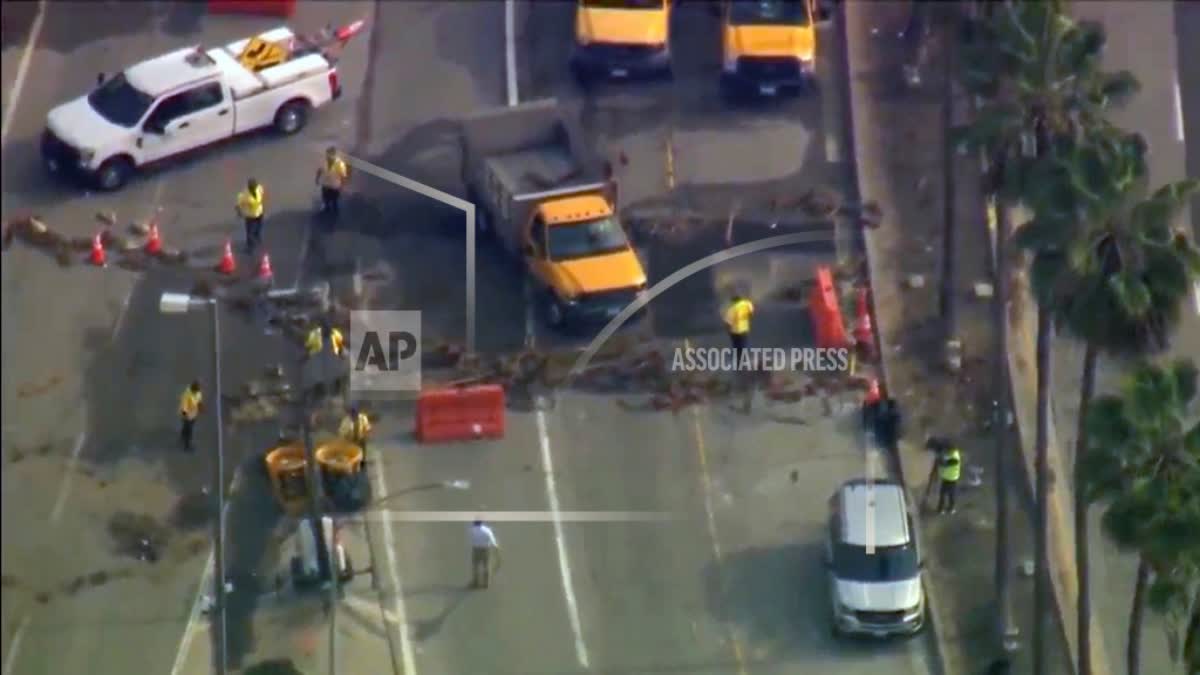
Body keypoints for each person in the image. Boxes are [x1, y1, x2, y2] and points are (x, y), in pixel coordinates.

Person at [315, 146, 350, 220]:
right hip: (325, 185)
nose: (328, 156)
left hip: (335, 186)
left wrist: (342, 186)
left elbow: (343, 176)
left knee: (334, 200)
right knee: (325, 198)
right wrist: (317, 179)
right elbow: (319, 171)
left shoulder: (340, 164)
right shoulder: (323, 161)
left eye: (330, 154)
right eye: (327, 154)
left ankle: (335, 212)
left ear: (334, 155)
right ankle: (326, 208)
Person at [468, 519, 501, 589]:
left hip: (476, 549)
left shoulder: (472, 530)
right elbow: (493, 540)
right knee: (486, 566)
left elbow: (471, 539)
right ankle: (486, 583)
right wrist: (497, 549)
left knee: (475, 566)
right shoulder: (487, 530)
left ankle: (476, 582)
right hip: (486, 549)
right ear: (482, 523)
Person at [236, 178, 265, 254]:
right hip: (250, 215)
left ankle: (257, 236)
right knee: (249, 232)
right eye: (252, 187)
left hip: (259, 212)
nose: (254, 188)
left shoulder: (259, 188)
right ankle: (250, 247)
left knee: (259, 226)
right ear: (249, 187)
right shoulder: (245, 195)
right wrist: (239, 212)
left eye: (255, 186)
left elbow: (262, 193)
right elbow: (239, 204)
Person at [723, 292, 754, 359]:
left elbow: (728, 322)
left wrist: (728, 330)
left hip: (735, 331)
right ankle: (744, 360)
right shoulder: (747, 304)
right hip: (744, 329)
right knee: (743, 345)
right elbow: (751, 312)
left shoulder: (733, 309)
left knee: (737, 347)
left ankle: (739, 362)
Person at [937, 442, 962, 514]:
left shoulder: (954, 458)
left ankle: (946, 508)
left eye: (947, 449)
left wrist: (939, 459)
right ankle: (947, 508)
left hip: (951, 479)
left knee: (947, 494)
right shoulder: (951, 453)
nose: (945, 450)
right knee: (947, 494)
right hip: (946, 477)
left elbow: (944, 463)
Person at [179, 381, 203, 452]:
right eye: (198, 388)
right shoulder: (187, 394)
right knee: (189, 431)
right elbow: (184, 407)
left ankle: (183, 435)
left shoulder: (198, 392)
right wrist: (186, 418)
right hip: (187, 416)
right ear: (193, 388)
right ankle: (187, 446)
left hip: (193, 414)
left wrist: (200, 407)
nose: (199, 390)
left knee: (187, 428)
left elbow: (199, 400)